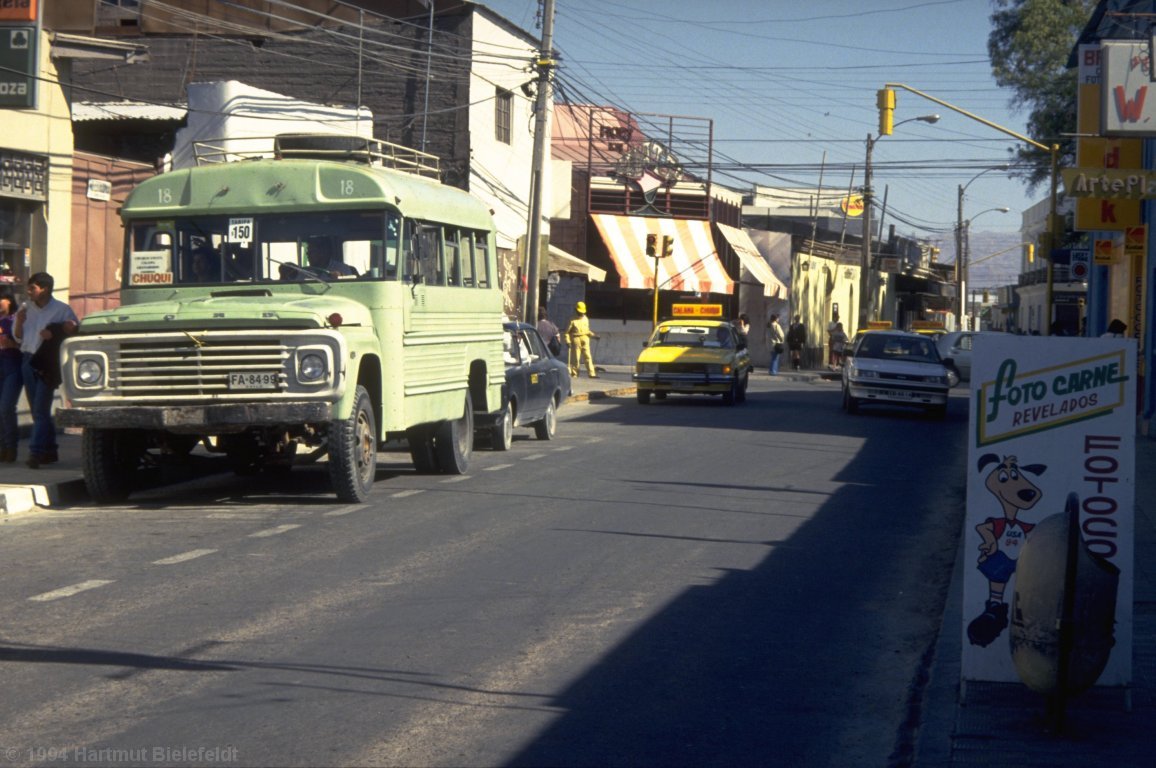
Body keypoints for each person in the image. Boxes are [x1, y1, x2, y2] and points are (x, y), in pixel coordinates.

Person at [12, 272, 78, 469]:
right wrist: (19, 321)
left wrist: (56, 332)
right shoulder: (26, 309)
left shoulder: (61, 310)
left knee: (41, 409)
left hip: (48, 364)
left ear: (44, 289)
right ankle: (50, 450)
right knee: (37, 410)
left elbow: (73, 332)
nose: (28, 292)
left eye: (32, 288)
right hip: (28, 360)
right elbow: (17, 338)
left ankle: (36, 452)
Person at [0, 288, 21, 463]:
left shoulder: (15, 319)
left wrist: (11, 344)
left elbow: (26, 344)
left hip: (12, 366)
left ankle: (10, 447)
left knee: (6, 407)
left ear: (8, 300)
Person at [565, 300, 599, 378]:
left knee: (588, 357)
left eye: (582, 312)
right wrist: (568, 341)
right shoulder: (572, 320)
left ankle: (591, 374)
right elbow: (566, 332)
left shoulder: (586, 319)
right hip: (576, 339)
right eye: (580, 312)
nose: (581, 314)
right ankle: (575, 374)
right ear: (576, 310)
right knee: (576, 358)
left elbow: (587, 330)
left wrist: (594, 335)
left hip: (585, 339)